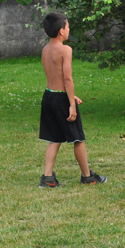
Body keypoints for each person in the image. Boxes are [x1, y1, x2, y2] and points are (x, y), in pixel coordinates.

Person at [38, 12, 106, 187]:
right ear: (61, 31)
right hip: (61, 100)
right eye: (68, 27)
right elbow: (67, 78)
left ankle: (48, 177)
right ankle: (87, 176)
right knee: (78, 139)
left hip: (49, 95)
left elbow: (53, 76)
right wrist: (71, 105)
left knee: (55, 138)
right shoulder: (65, 50)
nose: (69, 30)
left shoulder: (45, 50)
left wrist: (70, 95)